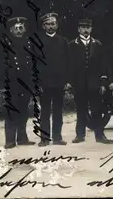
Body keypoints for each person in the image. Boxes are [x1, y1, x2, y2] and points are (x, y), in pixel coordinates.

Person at [68, 18, 112, 144]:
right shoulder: (72, 45)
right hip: (79, 83)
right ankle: (80, 135)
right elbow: (69, 65)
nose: (85, 30)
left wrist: (103, 82)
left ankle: (99, 135)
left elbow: (103, 65)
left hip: (95, 83)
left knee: (96, 109)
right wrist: (70, 82)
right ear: (78, 29)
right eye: (83, 27)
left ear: (91, 29)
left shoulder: (97, 44)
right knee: (81, 109)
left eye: (88, 27)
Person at [0, 17, 36, 149]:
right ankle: (9, 140)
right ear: (11, 30)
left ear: (24, 29)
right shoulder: (5, 44)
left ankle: (22, 138)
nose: (19, 30)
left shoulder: (28, 43)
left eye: (21, 28)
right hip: (11, 84)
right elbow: (0, 65)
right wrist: (2, 85)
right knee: (11, 112)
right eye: (16, 28)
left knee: (23, 111)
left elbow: (32, 64)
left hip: (25, 83)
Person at [38, 13, 71, 146]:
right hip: (44, 83)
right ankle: (44, 139)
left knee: (58, 111)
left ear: (57, 25)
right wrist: (37, 82)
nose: (51, 26)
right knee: (45, 112)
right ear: (43, 26)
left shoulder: (63, 41)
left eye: (53, 24)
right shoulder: (38, 41)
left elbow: (69, 63)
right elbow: (35, 64)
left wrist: (68, 81)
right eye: (48, 24)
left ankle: (57, 137)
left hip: (59, 83)